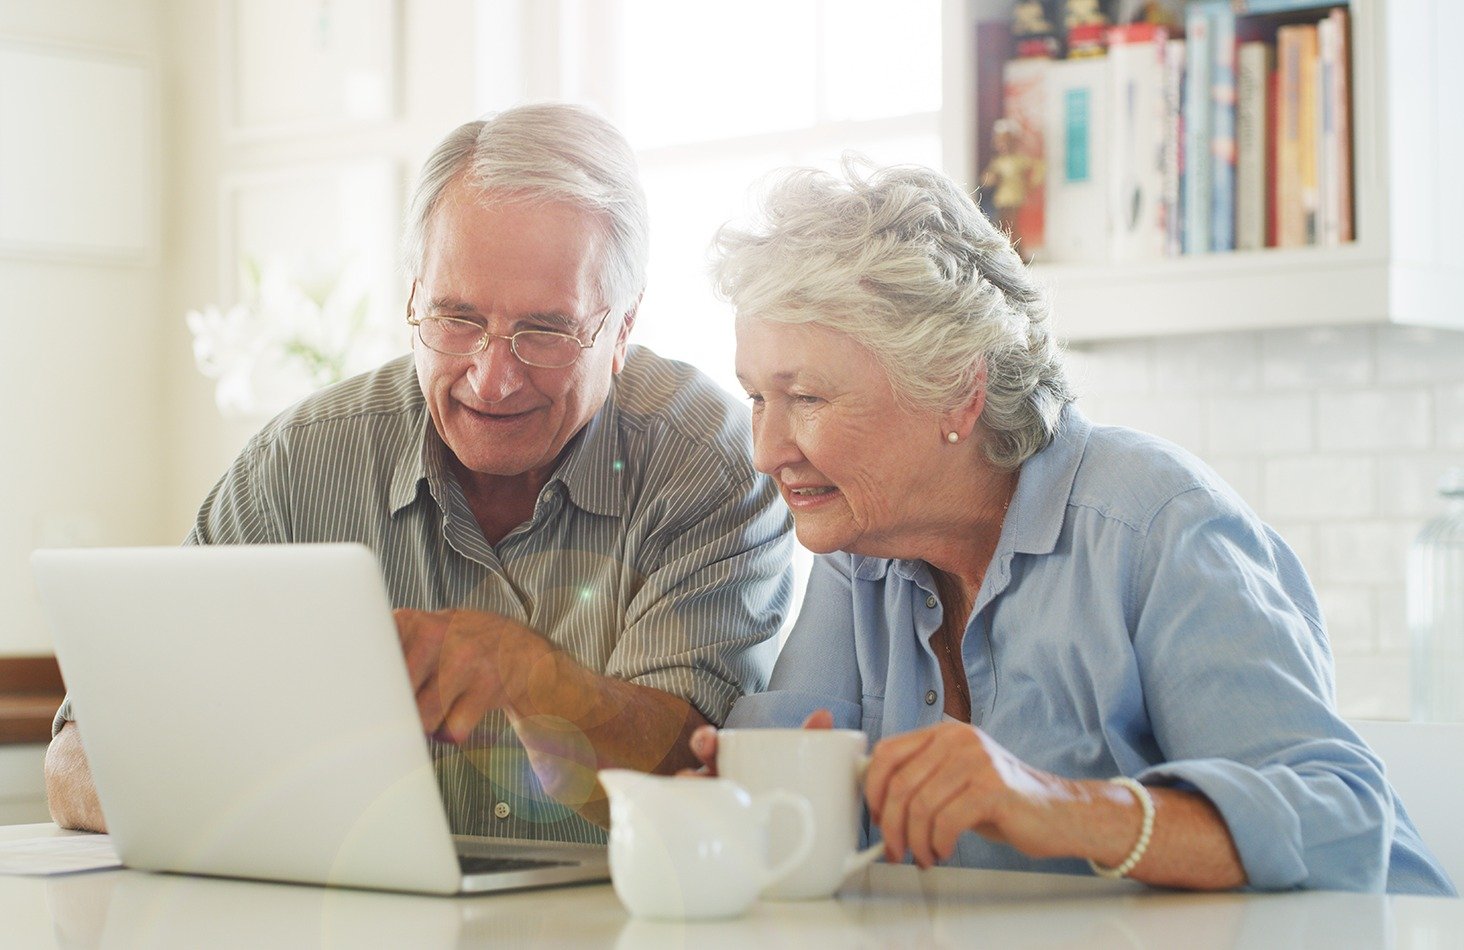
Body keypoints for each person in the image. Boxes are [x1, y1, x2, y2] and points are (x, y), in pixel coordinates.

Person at [690, 158, 1454, 895]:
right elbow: (781, 787)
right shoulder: (863, 550)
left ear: (958, 391)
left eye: (808, 399)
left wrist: (1057, 806)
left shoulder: (1157, 525)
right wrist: (723, 794)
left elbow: (1345, 822)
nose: (766, 452)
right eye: (756, 398)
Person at [45, 103, 793, 842]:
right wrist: (264, 808)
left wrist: (535, 680)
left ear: (622, 327)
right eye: (457, 319)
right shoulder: (301, 463)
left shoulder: (712, 463)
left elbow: (690, 771)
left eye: (544, 330)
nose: (492, 379)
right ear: (412, 298)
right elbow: (79, 754)